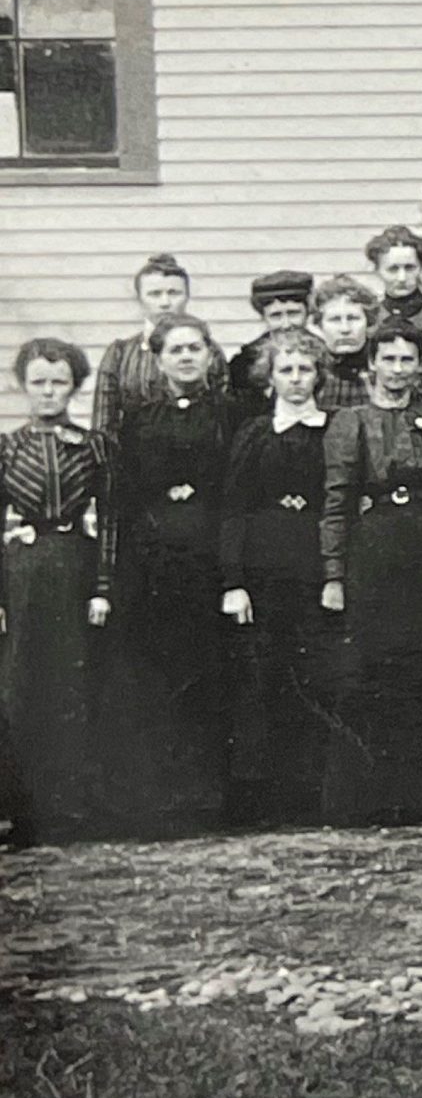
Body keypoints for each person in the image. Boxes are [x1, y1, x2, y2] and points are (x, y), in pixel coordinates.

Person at [319, 319, 422, 827]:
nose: (398, 370)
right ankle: (368, 797)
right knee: (373, 668)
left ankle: (420, 794)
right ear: (371, 364)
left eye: (408, 360)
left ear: (420, 366)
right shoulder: (350, 421)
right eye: (389, 359)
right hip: (375, 550)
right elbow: (336, 500)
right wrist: (334, 574)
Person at [93, 312, 234, 837]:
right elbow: (124, 495)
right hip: (153, 561)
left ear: (209, 354)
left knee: (209, 670)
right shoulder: (138, 419)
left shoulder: (230, 413)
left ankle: (208, 800)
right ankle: (159, 800)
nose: (186, 357)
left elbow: (234, 487)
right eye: (175, 350)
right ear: (157, 360)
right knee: (154, 673)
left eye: (195, 348)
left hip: (209, 556)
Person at [215, 327, 334, 829]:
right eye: (286, 370)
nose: (296, 379)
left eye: (305, 369)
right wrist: (233, 580)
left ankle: (312, 794)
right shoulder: (254, 434)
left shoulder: (335, 429)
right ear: (270, 378)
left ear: (319, 376)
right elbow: (234, 510)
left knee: (315, 675)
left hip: (314, 564)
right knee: (262, 676)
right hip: (264, 569)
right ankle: (261, 798)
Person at [2, 337, 105, 843]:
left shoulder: (94, 446)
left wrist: (103, 586)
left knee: (75, 683)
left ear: (75, 387)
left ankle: (74, 809)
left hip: (75, 568)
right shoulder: (7, 448)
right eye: (38, 383)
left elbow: (110, 521)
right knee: (21, 687)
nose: (49, 392)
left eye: (59, 382)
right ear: (22, 386)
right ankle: (23, 812)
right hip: (21, 572)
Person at [95, 254, 224, 443]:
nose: (165, 303)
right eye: (155, 294)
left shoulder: (207, 350)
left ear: (187, 296)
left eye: (173, 293)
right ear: (140, 298)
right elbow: (103, 426)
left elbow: (226, 417)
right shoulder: (120, 354)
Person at [367, 229, 422, 406]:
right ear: (377, 270)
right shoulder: (369, 320)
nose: (402, 278)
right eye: (393, 269)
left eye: (409, 268)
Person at [225, 270, 316, 419]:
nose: (286, 325)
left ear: (307, 312)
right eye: (276, 316)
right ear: (263, 318)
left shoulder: (326, 356)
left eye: (293, 313)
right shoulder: (243, 365)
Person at [309, 276, 381, 413]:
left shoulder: (382, 368)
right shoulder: (310, 370)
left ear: (368, 321)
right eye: (335, 320)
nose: (345, 329)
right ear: (319, 325)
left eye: (353, 318)